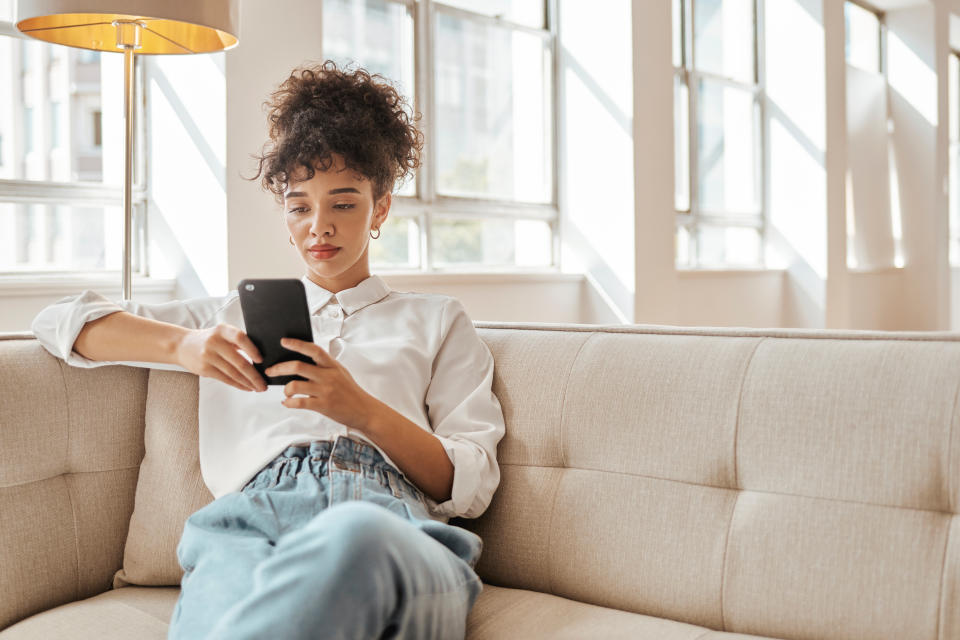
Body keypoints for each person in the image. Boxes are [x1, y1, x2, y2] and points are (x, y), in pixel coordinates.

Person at [30, 60, 506, 640]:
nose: (319, 226)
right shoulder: (227, 317)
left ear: (380, 208)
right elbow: (60, 321)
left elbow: (470, 485)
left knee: (357, 537)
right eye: (300, 205)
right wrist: (184, 345)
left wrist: (359, 408)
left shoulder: (438, 320)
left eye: (344, 203)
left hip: (388, 519)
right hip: (253, 521)